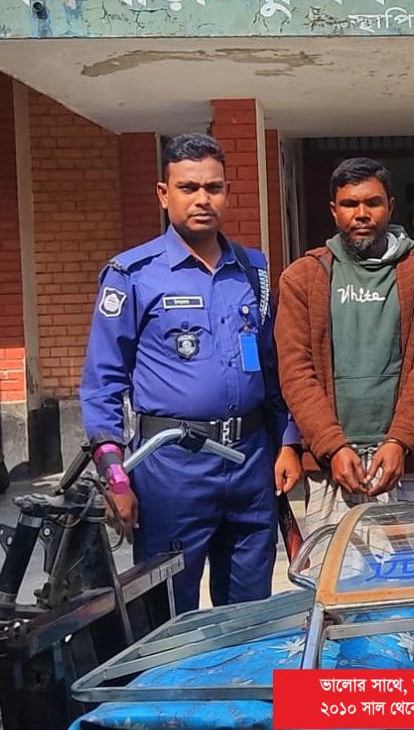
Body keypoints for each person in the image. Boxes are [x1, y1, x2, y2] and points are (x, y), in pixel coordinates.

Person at [79, 133, 301, 613]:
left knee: (248, 614)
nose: (203, 199)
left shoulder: (253, 270)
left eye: (214, 187)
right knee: (167, 616)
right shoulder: (133, 274)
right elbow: (102, 384)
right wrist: (115, 475)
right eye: (189, 187)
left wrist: (288, 442)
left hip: (249, 463)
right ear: (164, 194)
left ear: (227, 193)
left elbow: (273, 367)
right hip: (171, 469)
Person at [275, 157, 414, 533]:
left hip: (401, 462)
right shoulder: (303, 278)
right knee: (333, 567)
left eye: (373, 203)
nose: (361, 214)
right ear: (333, 210)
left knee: (403, 569)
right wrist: (333, 446)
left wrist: (400, 440)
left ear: (390, 206)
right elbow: (295, 372)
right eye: (350, 204)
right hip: (331, 465)